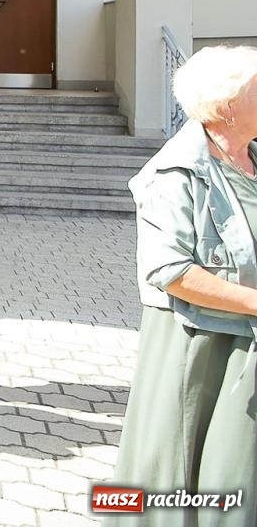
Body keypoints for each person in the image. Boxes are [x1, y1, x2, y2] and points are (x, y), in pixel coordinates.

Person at [112, 46, 257, 522]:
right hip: (203, 349)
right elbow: (170, 270)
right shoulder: (175, 171)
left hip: (244, 343)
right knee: (191, 483)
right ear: (227, 105)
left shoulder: (250, 157)